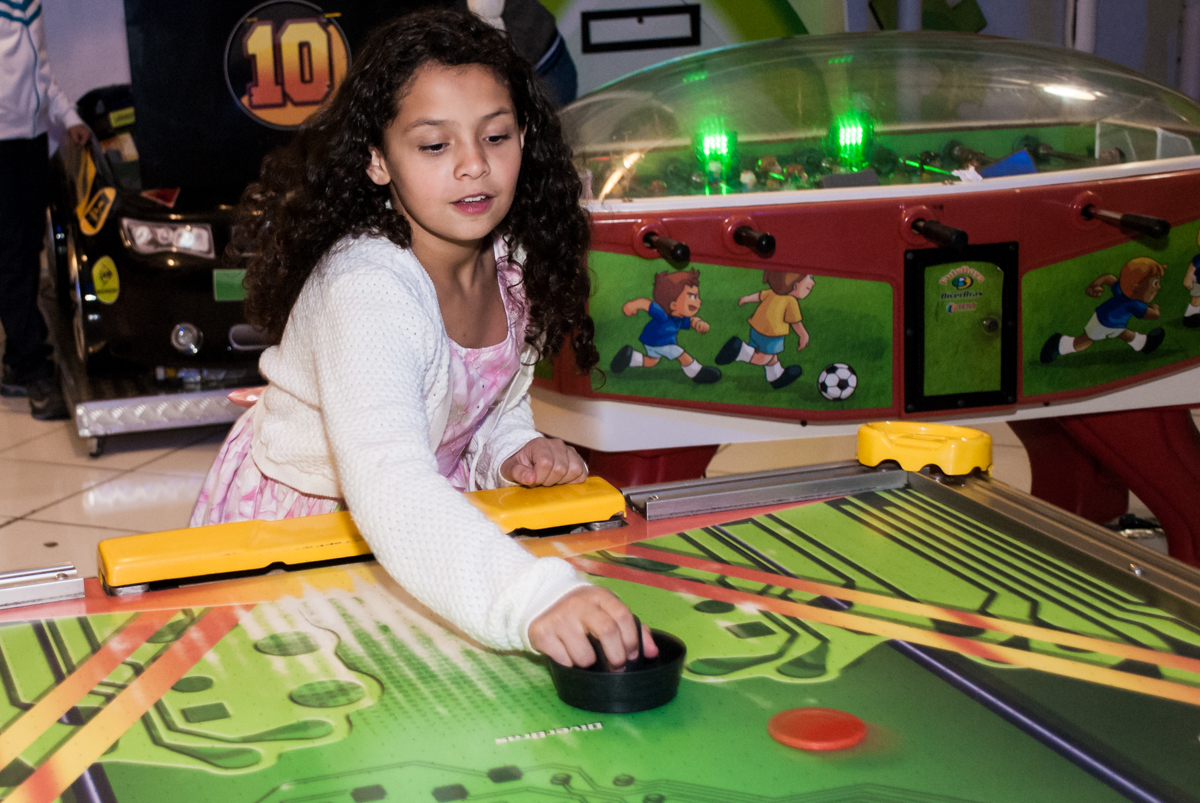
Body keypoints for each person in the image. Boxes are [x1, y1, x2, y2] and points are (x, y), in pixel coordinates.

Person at [191, 9, 654, 671]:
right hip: (308, 526)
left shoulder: (514, 262)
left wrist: (513, 448)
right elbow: (389, 481)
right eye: (435, 146)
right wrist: (533, 598)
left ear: (526, 135)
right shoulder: (367, 287)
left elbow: (487, 400)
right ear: (379, 160)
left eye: (495, 136)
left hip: (421, 517)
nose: (474, 165)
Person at [0, 0, 87, 419]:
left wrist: (68, 116)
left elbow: (42, 77)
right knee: (11, 255)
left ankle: (18, 360)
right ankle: (33, 368)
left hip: (29, 141)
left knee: (28, 245)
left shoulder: (29, 5)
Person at [1040, 257, 1166, 363]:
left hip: (1111, 323)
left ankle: (1144, 344)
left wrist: (1096, 284)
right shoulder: (1133, 303)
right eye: (1155, 283)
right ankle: (1059, 344)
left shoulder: (1122, 290)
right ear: (1136, 287)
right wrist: (1155, 310)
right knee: (1084, 341)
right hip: (1103, 322)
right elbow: (1151, 315)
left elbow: (1109, 278)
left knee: (1122, 333)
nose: (1159, 288)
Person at [609, 269, 721, 383]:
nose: (699, 301)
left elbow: (691, 321)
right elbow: (647, 304)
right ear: (673, 304)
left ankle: (629, 357)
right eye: (692, 297)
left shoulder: (679, 318)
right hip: (661, 341)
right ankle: (697, 373)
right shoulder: (662, 314)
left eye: (697, 297)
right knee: (682, 355)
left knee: (652, 361)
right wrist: (632, 305)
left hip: (651, 341)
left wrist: (698, 323)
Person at [715, 272, 814, 390]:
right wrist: (803, 335)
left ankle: (776, 377)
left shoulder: (772, 292)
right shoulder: (790, 301)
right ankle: (740, 351)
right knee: (764, 357)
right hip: (772, 334)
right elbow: (795, 322)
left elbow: (759, 295)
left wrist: (746, 299)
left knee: (772, 358)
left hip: (756, 328)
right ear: (795, 286)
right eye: (808, 285)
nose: (813, 283)